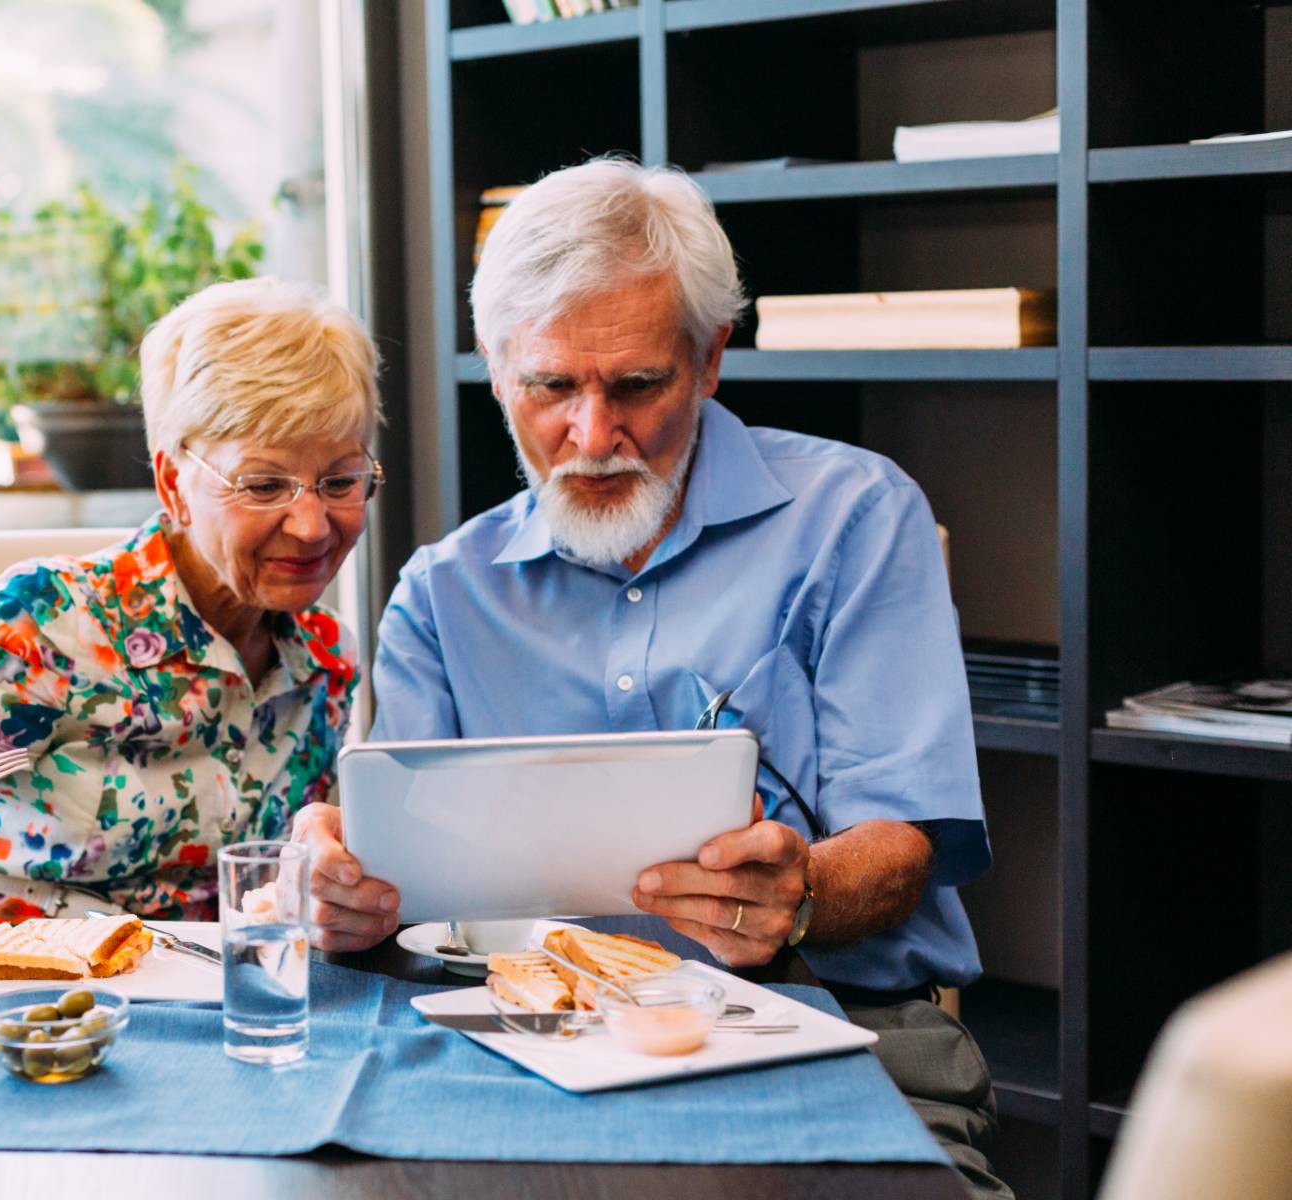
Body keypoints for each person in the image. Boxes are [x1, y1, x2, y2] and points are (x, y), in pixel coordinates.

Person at [290, 159, 1010, 1199]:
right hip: (516, 1055)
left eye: (635, 386)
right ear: (497, 371)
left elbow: (902, 847)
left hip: (836, 1035)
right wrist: (342, 889)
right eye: (549, 388)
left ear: (710, 359)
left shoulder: (856, 517)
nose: (592, 438)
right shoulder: (444, 595)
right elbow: (390, 885)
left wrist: (800, 895)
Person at [0, 276, 382, 943]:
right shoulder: (47, 621)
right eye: (264, 485)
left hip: (210, 1012)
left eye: (339, 481)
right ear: (172, 485)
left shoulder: (327, 655)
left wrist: (336, 899)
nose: (311, 525)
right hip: (16, 1005)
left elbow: (294, 888)